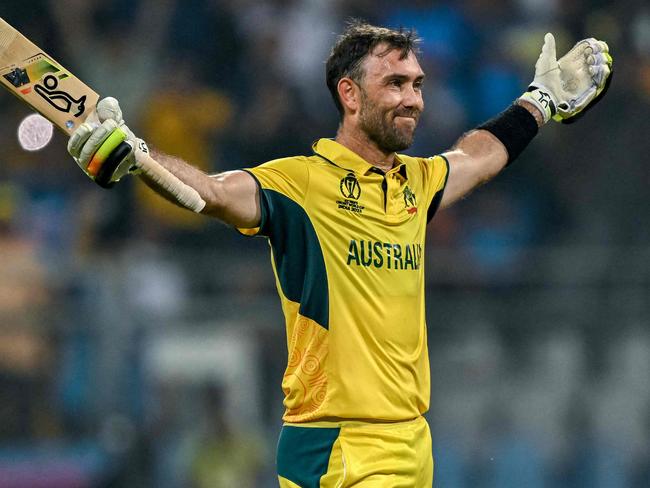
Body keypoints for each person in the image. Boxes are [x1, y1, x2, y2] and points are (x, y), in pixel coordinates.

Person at [67, 21, 612, 487]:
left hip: (411, 439)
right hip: (337, 444)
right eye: (395, 83)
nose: (413, 98)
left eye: (417, 84)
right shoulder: (300, 184)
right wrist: (140, 157)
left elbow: (478, 157)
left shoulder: (416, 184)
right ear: (350, 95)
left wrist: (539, 103)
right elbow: (212, 191)